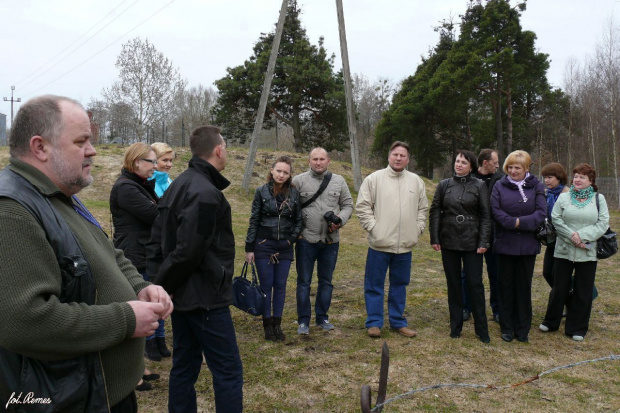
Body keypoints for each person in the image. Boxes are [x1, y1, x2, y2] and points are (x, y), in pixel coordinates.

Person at [0, 95, 172, 413]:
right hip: (71, 399)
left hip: (104, 392)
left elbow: (107, 252)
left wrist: (140, 286)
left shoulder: (60, 193)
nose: (92, 150)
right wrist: (126, 319)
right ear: (40, 147)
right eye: (81, 141)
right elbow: (24, 322)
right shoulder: (12, 210)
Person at [147, 125, 243, 413]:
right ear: (218, 150)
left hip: (185, 295)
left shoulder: (181, 184)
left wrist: (164, 286)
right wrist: (165, 287)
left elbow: (158, 243)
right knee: (227, 371)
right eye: (225, 146)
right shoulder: (203, 192)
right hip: (203, 299)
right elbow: (188, 250)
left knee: (184, 366)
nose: (226, 151)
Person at [109, 142, 169, 393]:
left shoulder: (140, 185)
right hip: (133, 256)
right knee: (137, 313)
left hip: (145, 253)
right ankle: (133, 374)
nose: (155, 166)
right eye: (151, 162)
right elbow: (157, 215)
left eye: (156, 161)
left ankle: (139, 368)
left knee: (146, 311)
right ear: (135, 163)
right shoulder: (126, 188)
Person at [356, 141, 428, 338]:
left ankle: (397, 321)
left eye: (402, 155)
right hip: (380, 245)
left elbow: (423, 209)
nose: (398, 158)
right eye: (395, 154)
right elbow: (362, 207)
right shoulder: (374, 179)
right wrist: (374, 229)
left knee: (399, 284)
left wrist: (418, 228)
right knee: (374, 285)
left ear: (408, 159)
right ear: (389, 156)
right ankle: (374, 323)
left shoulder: (416, 181)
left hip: (404, 247)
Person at [539, 163, 609, 341]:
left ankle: (577, 327)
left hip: (588, 251)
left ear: (591, 181)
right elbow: (556, 219)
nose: (577, 180)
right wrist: (572, 236)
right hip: (564, 249)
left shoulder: (598, 199)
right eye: (576, 176)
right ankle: (551, 321)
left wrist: (583, 236)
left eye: (582, 177)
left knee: (583, 289)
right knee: (559, 286)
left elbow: (602, 223)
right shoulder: (564, 197)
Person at [430, 150, 491, 343]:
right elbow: (435, 212)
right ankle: (455, 327)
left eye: (463, 162)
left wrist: (483, 242)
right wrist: (435, 237)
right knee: (453, 284)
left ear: (471, 166)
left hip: (472, 241)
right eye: (457, 161)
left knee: (475, 284)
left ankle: (482, 329)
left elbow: (486, 216)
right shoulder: (444, 185)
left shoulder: (480, 186)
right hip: (448, 240)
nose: (459, 165)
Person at [292, 147, 353, 335]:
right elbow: (290, 209)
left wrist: (340, 220)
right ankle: (303, 321)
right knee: (304, 282)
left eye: (322, 159)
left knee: (326, 281)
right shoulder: (298, 181)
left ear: (328, 161)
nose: (318, 162)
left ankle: (322, 317)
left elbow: (348, 204)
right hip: (306, 240)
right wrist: (297, 232)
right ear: (309, 161)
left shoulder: (339, 181)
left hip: (330, 241)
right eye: (315, 159)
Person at [491, 150, 546, 343]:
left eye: (518, 167)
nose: (513, 171)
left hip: (527, 246)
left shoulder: (537, 186)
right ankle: (507, 327)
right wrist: (511, 222)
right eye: (511, 167)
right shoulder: (499, 185)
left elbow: (541, 212)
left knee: (523, 287)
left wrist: (519, 223)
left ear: (526, 168)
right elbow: (496, 211)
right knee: (505, 286)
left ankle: (522, 328)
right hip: (505, 244)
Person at [245, 155, 302, 341]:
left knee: (280, 286)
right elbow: (254, 220)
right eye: (279, 171)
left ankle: (277, 323)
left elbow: (299, 220)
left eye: (286, 172)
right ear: (272, 170)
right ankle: (267, 324)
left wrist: (290, 240)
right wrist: (249, 247)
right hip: (264, 245)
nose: (281, 175)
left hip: (284, 246)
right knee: (266, 285)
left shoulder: (294, 193)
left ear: (290, 174)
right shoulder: (261, 191)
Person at [461, 149, 502, 323]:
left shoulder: (500, 180)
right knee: (469, 274)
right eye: (495, 162)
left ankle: (498, 309)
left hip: (493, 234)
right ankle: (466, 307)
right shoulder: (468, 179)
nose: (498, 165)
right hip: (472, 234)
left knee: (496, 273)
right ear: (485, 163)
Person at [540, 163, 570, 288]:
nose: (546, 180)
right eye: (545, 177)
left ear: (559, 177)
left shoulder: (569, 194)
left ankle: (570, 299)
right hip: (552, 239)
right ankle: (569, 296)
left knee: (560, 274)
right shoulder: (546, 194)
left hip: (566, 239)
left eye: (550, 177)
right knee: (547, 272)